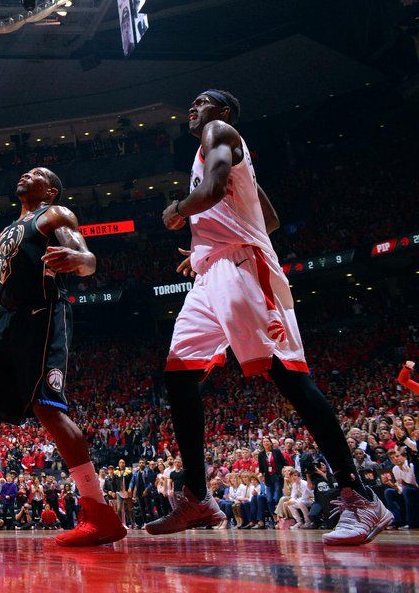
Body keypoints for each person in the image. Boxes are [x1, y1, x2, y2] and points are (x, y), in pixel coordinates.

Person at [147, 90, 393, 545]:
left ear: (221, 113)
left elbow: (215, 190)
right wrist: (209, 245)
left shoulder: (221, 132)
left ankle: (362, 498)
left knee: (289, 379)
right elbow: (271, 218)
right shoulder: (221, 153)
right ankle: (198, 497)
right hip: (212, 272)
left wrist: (182, 211)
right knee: (179, 375)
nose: (191, 107)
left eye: (202, 101)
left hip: (245, 270)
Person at [0, 168, 126, 548]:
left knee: (48, 407)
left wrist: (79, 259)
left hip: (45, 311)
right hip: (10, 319)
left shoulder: (55, 214)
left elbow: (88, 260)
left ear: (50, 189)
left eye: (36, 173)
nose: (25, 174)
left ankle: (99, 513)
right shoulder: (7, 229)